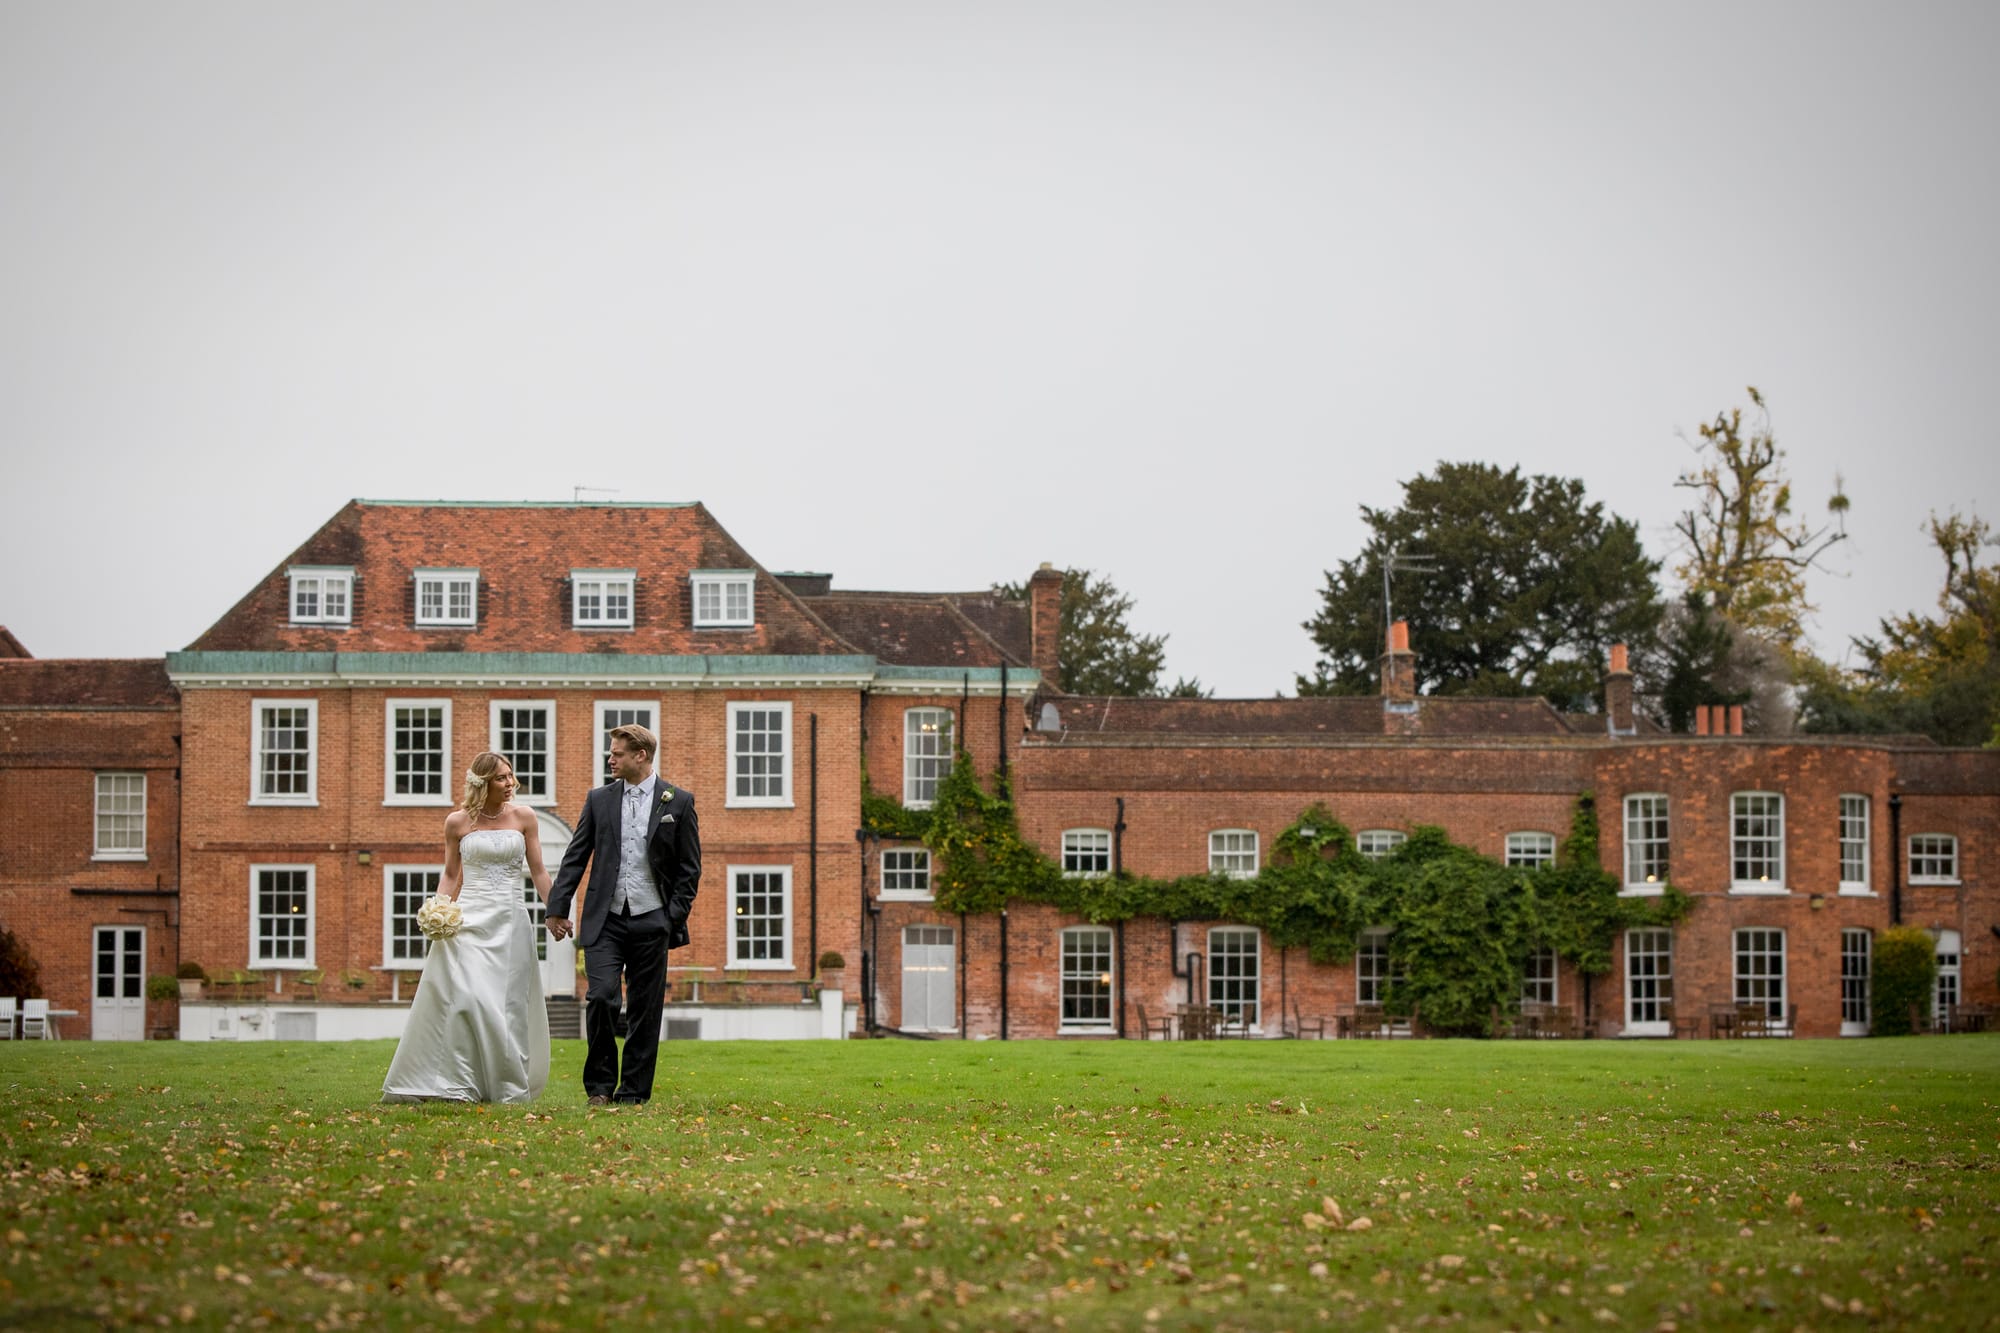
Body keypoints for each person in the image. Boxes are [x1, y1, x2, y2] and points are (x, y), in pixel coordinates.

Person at [381, 752, 553, 1104]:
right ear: (483, 783)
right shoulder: (457, 822)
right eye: (502, 778)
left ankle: (505, 1085)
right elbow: (450, 874)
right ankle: (459, 1080)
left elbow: (538, 871)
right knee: (470, 999)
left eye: (511, 776)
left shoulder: (525, 817)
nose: (510, 784)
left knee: (507, 1005)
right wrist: (439, 909)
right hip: (469, 920)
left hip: (509, 921)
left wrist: (557, 910)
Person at [546, 723, 700, 1106]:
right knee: (600, 997)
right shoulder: (598, 800)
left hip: (653, 920)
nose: (610, 759)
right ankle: (599, 1088)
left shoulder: (678, 802)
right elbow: (576, 856)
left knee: (646, 1011)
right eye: (610, 753)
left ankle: (632, 1092)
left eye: (616, 753)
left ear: (640, 756)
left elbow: (689, 868)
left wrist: (671, 917)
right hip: (606, 918)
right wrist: (557, 908)